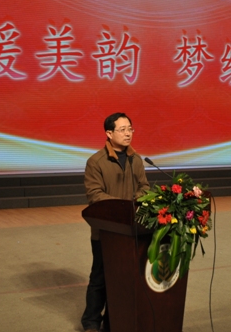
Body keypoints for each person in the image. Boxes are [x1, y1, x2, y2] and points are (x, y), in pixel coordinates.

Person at [81, 112, 150, 332]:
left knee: (123, 279)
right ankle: (91, 322)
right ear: (109, 133)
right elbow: (95, 194)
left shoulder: (136, 159)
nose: (128, 133)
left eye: (130, 129)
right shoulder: (96, 162)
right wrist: (122, 206)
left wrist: (135, 201)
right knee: (100, 277)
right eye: (122, 129)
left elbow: (145, 187)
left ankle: (113, 321)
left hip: (130, 229)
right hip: (105, 230)